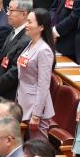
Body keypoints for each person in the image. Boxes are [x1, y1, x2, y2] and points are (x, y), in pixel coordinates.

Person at [15, 8, 56, 140]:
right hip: (23, 102)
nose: (26, 25)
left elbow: (43, 85)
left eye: (30, 22)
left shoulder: (44, 50)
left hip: (35, 108)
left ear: (41, 27)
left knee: (38, 148)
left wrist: (37, 114)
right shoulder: (31, 43)